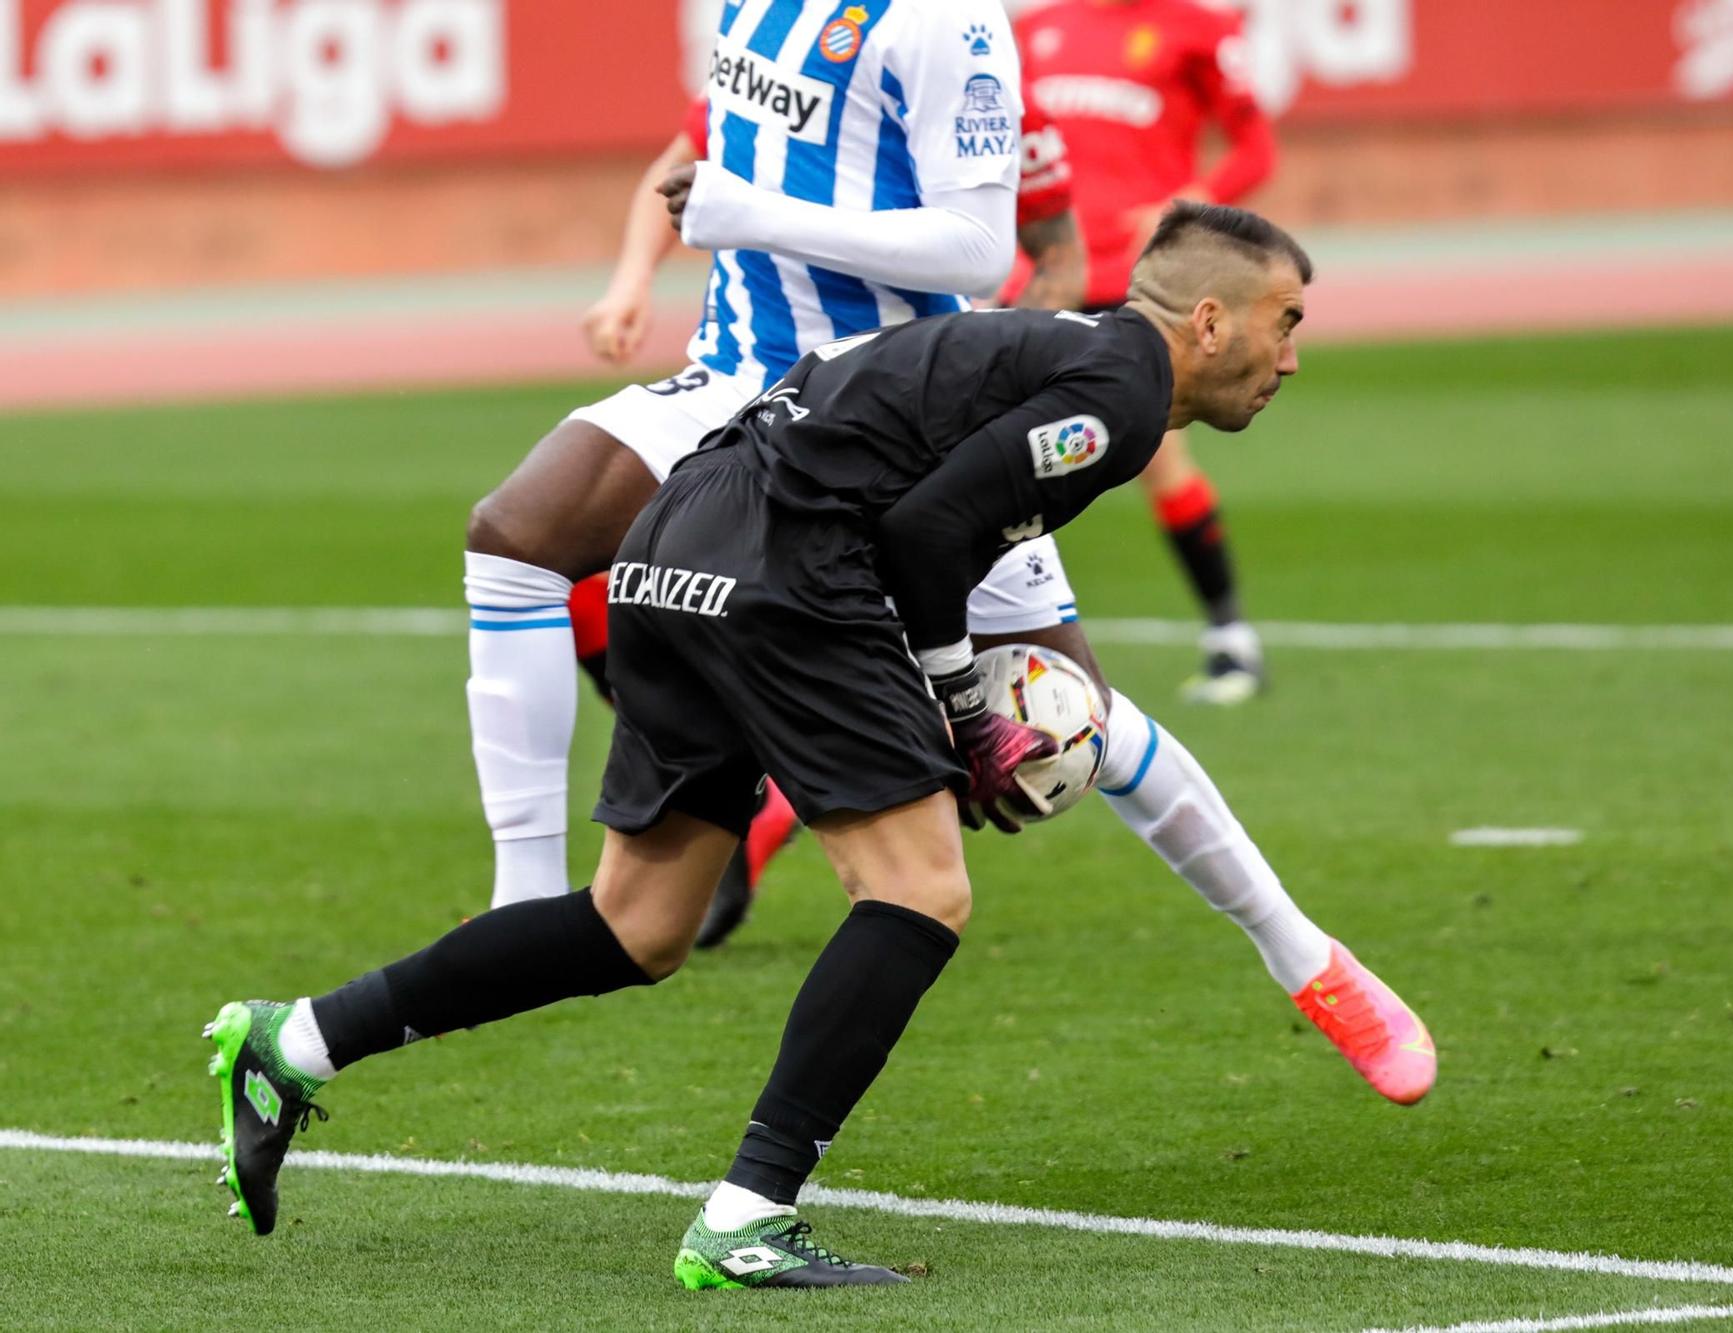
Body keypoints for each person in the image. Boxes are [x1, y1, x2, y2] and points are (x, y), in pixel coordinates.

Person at [204, 205, 1434, 1289]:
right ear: (1207, 321)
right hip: (782, 562)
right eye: (1286, 321)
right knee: (920, 890)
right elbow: (926, 533)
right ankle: (748, 1214)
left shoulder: (1059, 355)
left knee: (637, 924)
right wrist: (964, 708)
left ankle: (293, 1041)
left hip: (677, 534)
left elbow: (919, 512)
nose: (1290, 355)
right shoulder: (1114, 393)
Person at [463, 0, 1025, 911]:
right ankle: (524, 893)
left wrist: (755, 214)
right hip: (734, 375)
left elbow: (980, 250)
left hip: (886, 403)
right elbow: (696, 157)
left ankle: (1327, 977)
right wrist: (636, 277)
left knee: (1107, 739)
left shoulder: (942, 22)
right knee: (512, 537)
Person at [1017, 0, 1281, 704]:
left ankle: (1232, 637)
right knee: (993, 458)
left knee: (1159, 461)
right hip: (1039, 282)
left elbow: (1256, 149)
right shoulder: (1033, 30)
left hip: (1139, 288)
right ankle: (972, 644)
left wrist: (1192, 199)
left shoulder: (1198, 29)